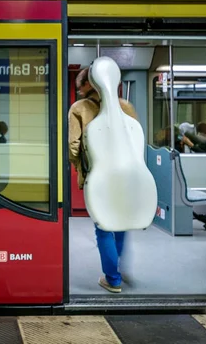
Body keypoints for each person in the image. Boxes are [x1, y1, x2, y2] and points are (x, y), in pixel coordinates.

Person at [68, 65, 138, 293]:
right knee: (121, 223)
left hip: (99, 176)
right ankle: (118, 268)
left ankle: (113, 278)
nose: (78, 92)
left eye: (80, 87)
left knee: (103, 226)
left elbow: (73, 145)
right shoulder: (125, 106)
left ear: (90, 83)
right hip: (126, 175)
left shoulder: (79, 108)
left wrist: (80, 168)